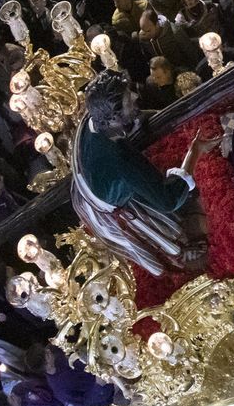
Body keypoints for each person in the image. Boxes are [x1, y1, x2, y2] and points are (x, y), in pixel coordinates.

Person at [71, 69, 213, 276]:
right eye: (129, 98)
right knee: (150, 227)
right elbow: (169, 200)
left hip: (92, 176)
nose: (136, 96)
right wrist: (195, 151)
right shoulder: (121, 162)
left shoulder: (92, 118)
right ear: (114, 116)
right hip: (109, 202)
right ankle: (178, 253)